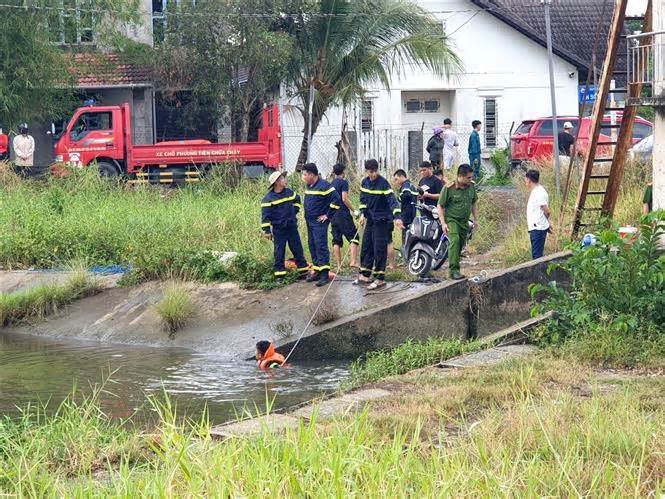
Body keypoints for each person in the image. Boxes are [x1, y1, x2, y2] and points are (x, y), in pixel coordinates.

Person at [355, 159, 404, 290]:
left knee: (379, 249)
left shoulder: (383, 183)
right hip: (370, 219)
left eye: (375, 171)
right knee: (366, 246)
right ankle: (365, 275)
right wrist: (362, 214)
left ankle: (380, 278)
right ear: (367, 171)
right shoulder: (364, 182)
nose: (373, 174)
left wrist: (397, 217)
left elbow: (392, 201)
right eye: (371, 172)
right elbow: (363, 200)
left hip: (382, 220)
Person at [261, 171, 309, 279]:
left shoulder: (289, 192)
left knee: (297, 249)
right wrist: (267, 231)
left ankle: (303, 272)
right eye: (283, 178)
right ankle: (280, 276)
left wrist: (294, 210)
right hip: (279, 229)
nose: (285, 180)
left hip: (291, 226)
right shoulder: (268, 198)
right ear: (277, 182)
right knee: (279, 251)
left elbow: (297, 199)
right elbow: (265, 217)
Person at [437, 164, 478, 280]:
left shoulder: (471, 187)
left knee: (460, 245)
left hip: (464, 222)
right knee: (454, 241)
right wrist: (443, 223)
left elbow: (474, 202)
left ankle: (454, 268)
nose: (471, 180)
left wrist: (476, 219)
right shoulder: (449, 188)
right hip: (452, 220)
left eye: (471, 177)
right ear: (460, 176)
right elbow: (440, 205)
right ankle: (454, 271)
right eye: (468, 178)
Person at [302, 163, 340, 286]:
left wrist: (328, 215)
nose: (303, 176)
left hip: (319, 222)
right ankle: (317, 270)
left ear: (312, 175)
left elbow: (337, 200)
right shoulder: (309, 186)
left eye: (305, 174)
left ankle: (324, 274)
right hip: (309, 221)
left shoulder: (325, 186)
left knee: (320, 246)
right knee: (312, 245)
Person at [330, 163, 360, 268]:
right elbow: (344, 199)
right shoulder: (343, 182)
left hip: (333, 214)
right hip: (342, 214)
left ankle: (339, 265)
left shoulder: (331, 183)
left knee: (336, 239)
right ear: (343, 172)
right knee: (354, 236)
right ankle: (353, 262)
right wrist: (354, 210)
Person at [525, 169, 551, 259]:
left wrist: (545, 223)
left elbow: (546, 210)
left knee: (537, 257)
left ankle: (539, 273)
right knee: (536, 255)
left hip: (538, 228)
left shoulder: (539, 192)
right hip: (537, 227)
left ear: (528, 179)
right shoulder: (537, 191)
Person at [393, 169, 418, 242]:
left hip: (406, 216)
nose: (396, 182)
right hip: (412, 215)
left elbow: (406, 195)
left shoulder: (405, 185)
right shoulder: (411, 185)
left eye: (396, 179)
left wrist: (398, 199)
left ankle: (405, 252)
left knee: (405, 238)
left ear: (401, 176)